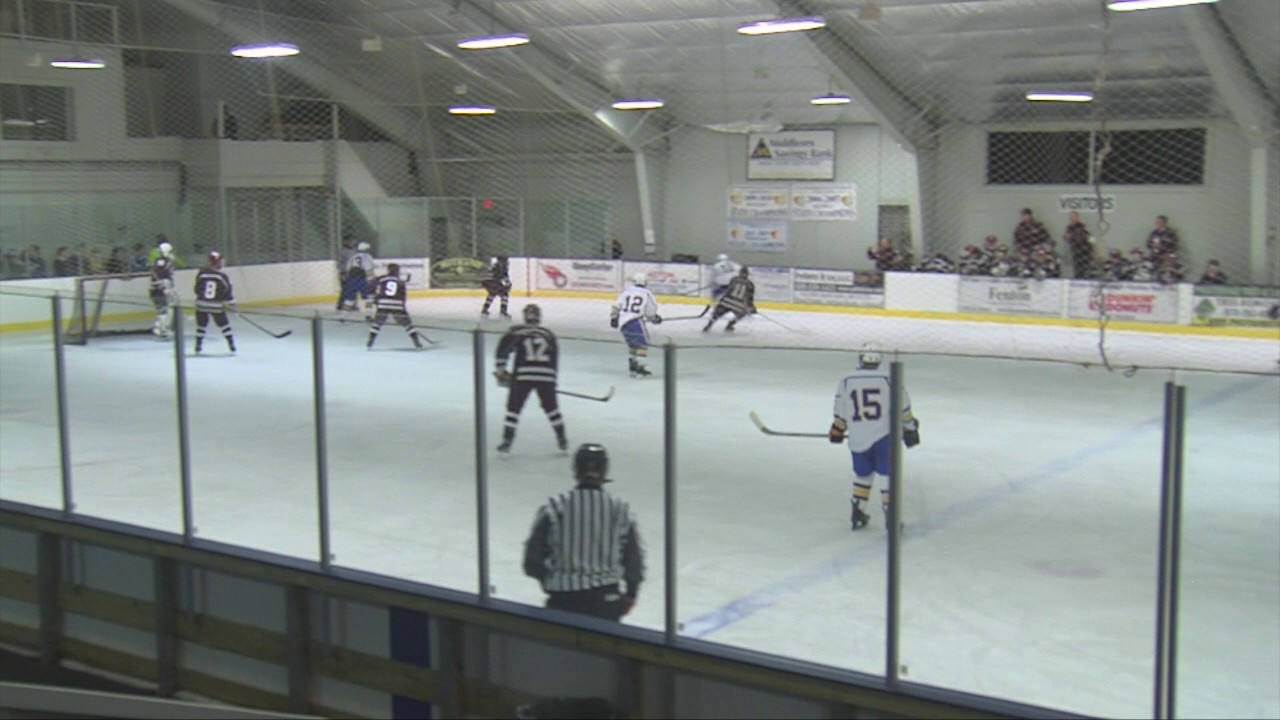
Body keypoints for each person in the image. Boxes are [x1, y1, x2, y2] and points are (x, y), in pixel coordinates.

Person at [523, 443, 645, 622]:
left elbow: (532, 559)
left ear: (576, 469)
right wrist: (631, 592)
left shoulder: (555, 508)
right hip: (606, 599)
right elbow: (633, 557)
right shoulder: (620, 510)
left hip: (563, 599)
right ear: (605, 471)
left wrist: (546, 580)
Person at [828, 349, 920, 531]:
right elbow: (903, 407)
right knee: (887, 475)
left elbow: (841, 411)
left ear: (861, 359)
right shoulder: (889, 378)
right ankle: (891, 515)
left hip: (857, 439)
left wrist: (837, 430)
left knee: (863, 474)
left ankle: (858, 511)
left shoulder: (847, 380)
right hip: (884, 438)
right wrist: (910, 427)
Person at [493, 304, 568, 454]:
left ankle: (507, 440)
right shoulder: (548, 334)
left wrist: (501, 369)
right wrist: (552, 380)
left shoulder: (516, 332)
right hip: (546, 376)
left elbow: (503, 350)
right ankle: (562, 438)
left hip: (523, 375)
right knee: (552, 409)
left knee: (513, 409)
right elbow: (554, 357)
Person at [610, 273, 662, 378]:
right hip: (635, 322)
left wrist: (614, 318)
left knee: (633, 346)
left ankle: (633, 367)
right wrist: (655, 318)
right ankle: (639, 368)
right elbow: (650, 312)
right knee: (643, 346)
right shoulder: (647, 294)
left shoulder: (627, 292)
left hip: (623, 323)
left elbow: (616, 306)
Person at [366, 263, 426, 350]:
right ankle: (417, 342)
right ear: (397, 271)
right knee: (407, 324)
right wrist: (403, 310)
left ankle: (370, 342)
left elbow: (371, 286)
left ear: (388, 270)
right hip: (397, 304)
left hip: (383, 303)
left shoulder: (381, 279)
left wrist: (376, 298)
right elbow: (403, 297)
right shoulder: (400, 281)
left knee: (377, 323)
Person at [193, 250, 236, 354]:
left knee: (201, 325)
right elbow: (227, 291)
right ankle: (231, 345)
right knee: (224, 325)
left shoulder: (202, 273)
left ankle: (198, 346)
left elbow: (196, 289)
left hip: (201, 304)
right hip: (216, 305)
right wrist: (231, 305)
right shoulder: (222, 276)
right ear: (218, 262)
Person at [703, 266, 755, 333]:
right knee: (743, 313)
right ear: (747, 274)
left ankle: (709, 325)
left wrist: (721, 298)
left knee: (717, 313)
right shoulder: (750, 284)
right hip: (738, 305)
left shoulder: (734, 279)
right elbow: (750, 298)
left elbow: (729, 289)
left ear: (740, 273)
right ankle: (730, 325)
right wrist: (752, 307)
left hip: (727, 301)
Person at [149, 242, 179, 339]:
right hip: (159, 289)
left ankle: (159, 328)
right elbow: (158, 273)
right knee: (165, 310)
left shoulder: (163, 262)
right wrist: (164, 285)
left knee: (164, 309)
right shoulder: (164, 262)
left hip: (159, 288)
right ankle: (161, 329)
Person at [339, 241, 375, 313]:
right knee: (369, 298)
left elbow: (348, 268)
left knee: (349, 299)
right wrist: (370, 280)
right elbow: (368, 269)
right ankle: (368, 314)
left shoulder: (353, 257)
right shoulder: (367, 256)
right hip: (362, 279)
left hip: (351, 279)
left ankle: (344, 315)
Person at [1061, 211, 1094, 279]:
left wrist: (1081, 236)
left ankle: (1085, 277)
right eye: (1071, 217)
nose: (1072, 219)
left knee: (1085, 266)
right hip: (1075, 249)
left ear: (1078, 218)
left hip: (1084, 250)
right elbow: (1066, 237)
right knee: (1077, 266)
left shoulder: (1082, 226)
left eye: (1074, 217)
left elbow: (1088, 237)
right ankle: (1078, 278)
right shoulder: (1069, 227)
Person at [335, 235, 357, 310]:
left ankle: (353, 305)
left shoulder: (354, 251)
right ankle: (341, 305)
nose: (352, 242)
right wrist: (342, 273)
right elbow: (339, 264)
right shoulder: (342, 252)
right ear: (346, 242)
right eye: (350, 241)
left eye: (353, 240)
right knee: (345, 290)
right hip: (346, 274)